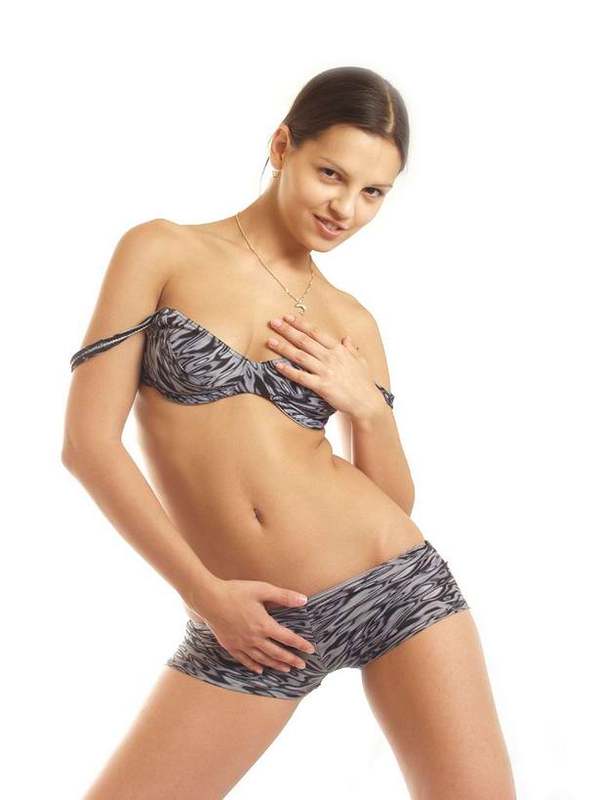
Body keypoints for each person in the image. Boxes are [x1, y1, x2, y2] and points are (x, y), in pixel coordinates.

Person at [62, 66, 516, 799]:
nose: (345, 208)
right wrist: (207, 595)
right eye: (330, 174)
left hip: (399, 587)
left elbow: (392, 504)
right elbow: (88, 446)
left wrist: (368, 411)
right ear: (282, 147)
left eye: (373, 193)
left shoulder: (351, 320)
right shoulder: (161, 251)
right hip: (247, 619)